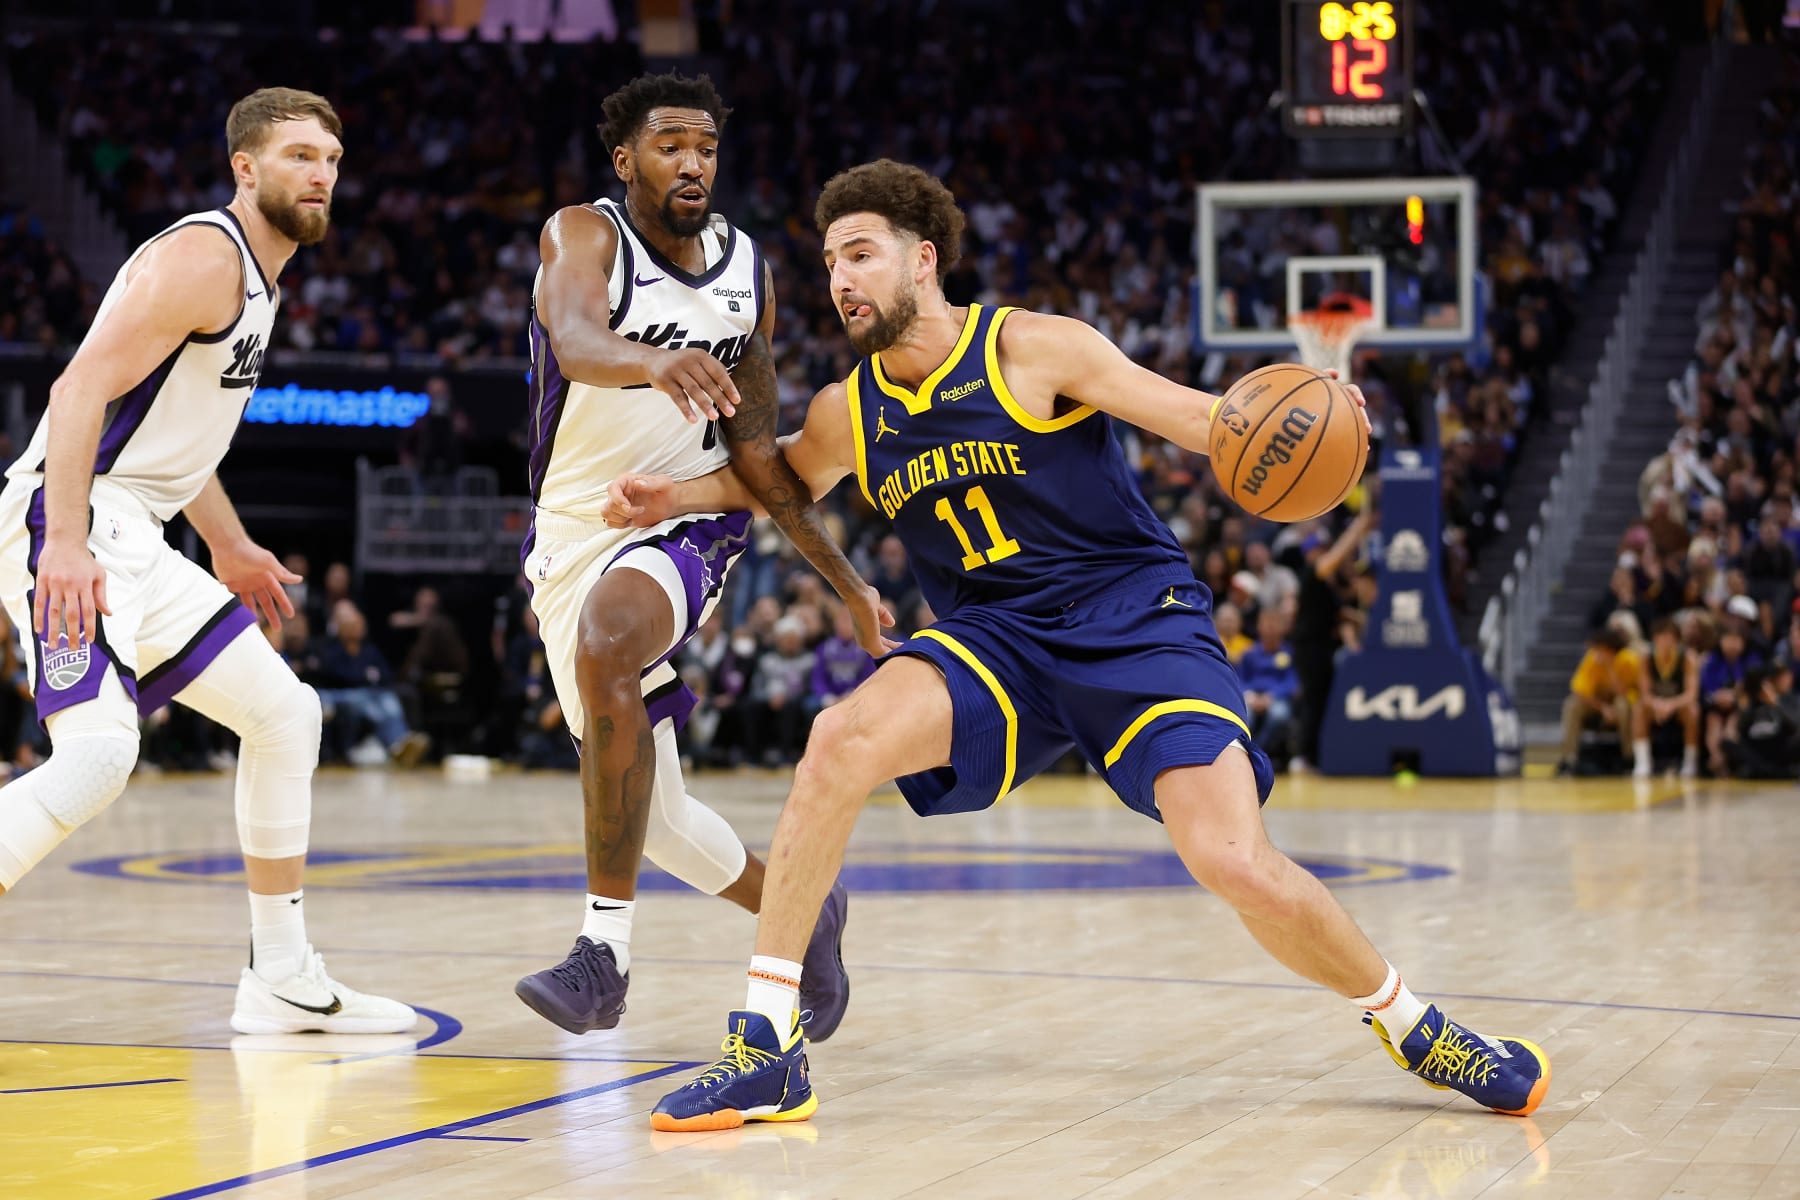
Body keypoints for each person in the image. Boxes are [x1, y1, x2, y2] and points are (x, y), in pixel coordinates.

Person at [604, 160, 1550, 1131]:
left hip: (1133, 618)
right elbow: (787, 482)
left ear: (923, 261)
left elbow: (1207, 421)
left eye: (861, 254)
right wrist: (671, 497)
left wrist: (1316, 405)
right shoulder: (851, 410)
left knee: (1233, 859)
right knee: (838, 742)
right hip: (996, 638)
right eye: (830, 262)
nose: (841, 279)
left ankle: (1415, 1026)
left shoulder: (1036, 349)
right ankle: (767, 1045)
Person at [0, 88, 413, 1034]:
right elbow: (75, 392)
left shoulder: (259, 282)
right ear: (245, 168)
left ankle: (281, 977)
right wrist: (62, 542)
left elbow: (178, 440)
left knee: (284, 714)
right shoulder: (205, 256)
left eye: (333, 161)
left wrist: (227, 543)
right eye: (300, 156)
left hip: (136, 526)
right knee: (99, 757)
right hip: (70, 517)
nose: (322, 175)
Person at [511, 73, 882, 1041]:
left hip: (686, 523)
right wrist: (652, 359)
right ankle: (805, 914)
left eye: (707, 147)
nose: (693, 163)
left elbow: (760, 457)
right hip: (574, 527)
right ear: (626, 158)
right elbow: (579, 334)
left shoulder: (745, 269)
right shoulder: (581, 235)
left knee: (609, 638)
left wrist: (845, 582)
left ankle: (604, 958)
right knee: (661, 821)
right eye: (671, 145)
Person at [1557, 626, 1636, 775]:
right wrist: (1603, 709)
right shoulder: (1591, 658)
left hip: (1624, 703)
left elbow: (1623, 693)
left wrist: (1609, 666)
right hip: (1599, 704)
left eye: (1599, 649)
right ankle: (1569, 759)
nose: (1596, 652)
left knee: (1622, 705)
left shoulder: (1628, 660)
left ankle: (1629, 758)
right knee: (1572, 704)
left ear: (1608, 649)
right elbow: (1579, 690)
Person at [1633, 616, 1700, 778]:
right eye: (1660, 636)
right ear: (1654, 638)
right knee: (1639, 708)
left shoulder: (1687, 657)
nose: (1664, 640)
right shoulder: (1646, 658)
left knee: (1692, 711)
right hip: (1656, 706)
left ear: (1676, 639)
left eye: (1668, 636)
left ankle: (1690, 763)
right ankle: (1642, 763)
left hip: (1678, 705)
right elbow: (1645, 693)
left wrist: (1670, 705)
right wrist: (1657, 704)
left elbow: (1692, 694)